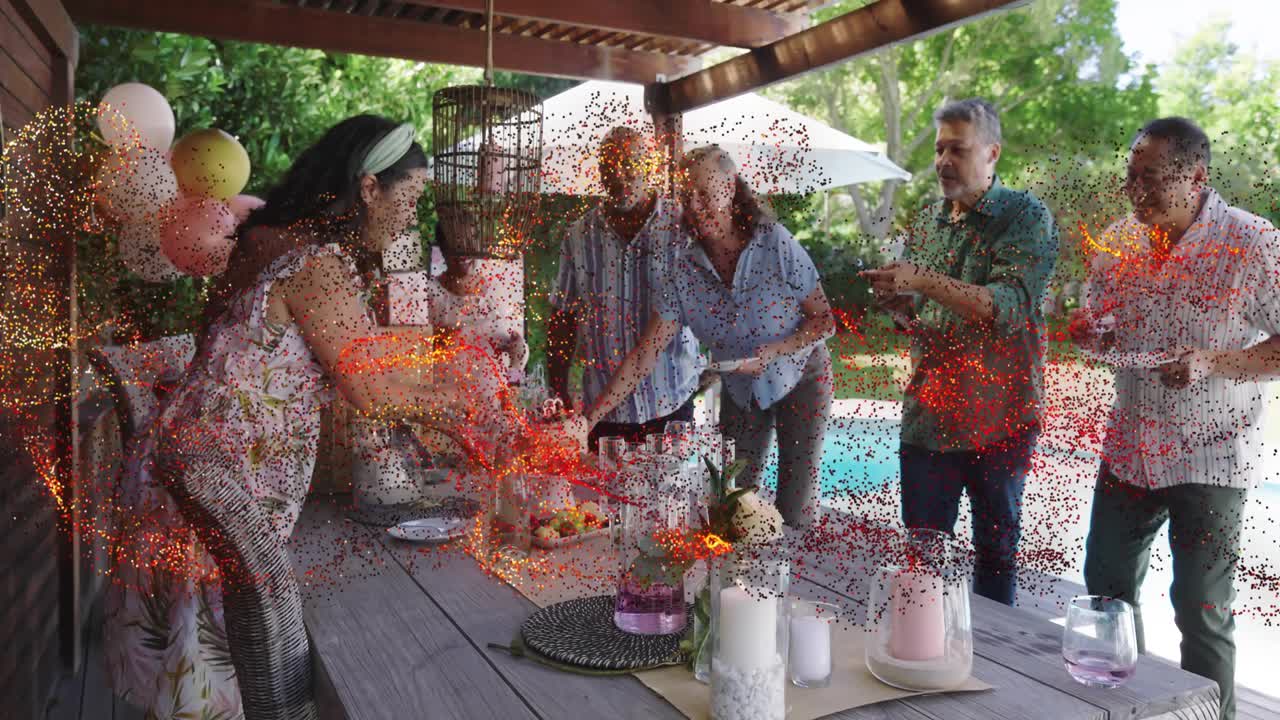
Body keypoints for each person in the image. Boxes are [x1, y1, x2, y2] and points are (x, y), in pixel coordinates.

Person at [104, 115, 511, 720]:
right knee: (231, 676)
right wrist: (479, 407)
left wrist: (458, 388)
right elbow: (371, 387)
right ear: (370, 187)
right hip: (226, 487)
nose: (414, 216)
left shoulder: (269, 237)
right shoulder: (316, 261)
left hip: (182, 474)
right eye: (413, 196)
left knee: (188, 683)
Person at [1070, 117, 1280, 720]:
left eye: (1151, 180)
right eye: (1130, 178)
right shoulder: (1119, 241)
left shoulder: (1253, 243)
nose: (1135, 193)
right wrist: (1092, 333)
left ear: (1197, 177)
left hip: (1214, 453)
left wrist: (1212, 360)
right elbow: (1102, 325)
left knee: (1201, 610)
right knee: (1106, 593)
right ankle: (1121, 709)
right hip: (1129, 445)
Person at [569, 145, 835, 527]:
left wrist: (775, 350)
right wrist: (588, 419)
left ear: (730, 188)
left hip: (802, 375)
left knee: (794, 512)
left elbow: (825, 321)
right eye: (684, 195)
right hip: (742, 388)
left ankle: (782, 578)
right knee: (728, 508)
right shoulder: (681, 270)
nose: (693, 205)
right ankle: (734, 585)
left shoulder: (774, 243)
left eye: (704, 192)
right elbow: (646, 354)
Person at [861, 98, 1058, 605]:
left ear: (992, 153)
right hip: (929, 417)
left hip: (1000, 418)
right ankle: (924, 660)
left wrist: (923, 280)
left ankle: (998, 672)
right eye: (939, 149)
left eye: (958, 149)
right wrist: (902, 305)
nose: (944, 161)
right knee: (922, 558)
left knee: (995, 555)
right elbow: (931, 311)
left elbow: (1010, 306)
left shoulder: (1025, 215)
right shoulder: (929, 222)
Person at [547, 126, 703, 450]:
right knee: (600, 501)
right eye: (608, 166)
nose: (619, 175)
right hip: (604, 415)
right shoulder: (578, 236)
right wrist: (559, 392)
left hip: (671, 405)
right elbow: (562, 318)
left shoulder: (683, 228)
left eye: (629, 163)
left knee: (671, 499)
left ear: (648, 166)